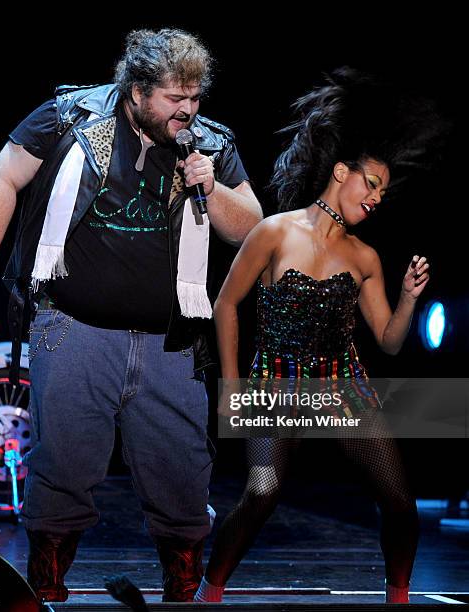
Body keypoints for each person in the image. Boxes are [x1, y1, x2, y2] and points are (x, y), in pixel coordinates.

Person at [0, 28, 262, 603]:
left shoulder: (210, 145)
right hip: (73, 328)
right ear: (137, 90)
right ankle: (45, 587)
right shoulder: (69, 117)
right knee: (63, 466)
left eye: (195, 99)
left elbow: (253, 228)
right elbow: (2, 178)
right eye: (176, 99)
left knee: (182, 470)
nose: (188, 111)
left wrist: (211, 187)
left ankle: (181, 584)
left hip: (171, 342)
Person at [194, 68, 444, 605]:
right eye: (370, 183)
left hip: (343, 387)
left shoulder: (366, 258)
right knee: (262, 492)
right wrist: (235, 389)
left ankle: (398, 594)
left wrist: (407, 297)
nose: (377, 198)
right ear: (340, 172)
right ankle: (209, 589)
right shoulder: (275, 231)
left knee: (400, 501)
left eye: (384, 191)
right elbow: (226, 305)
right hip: (276, 385)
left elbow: (390, 340)